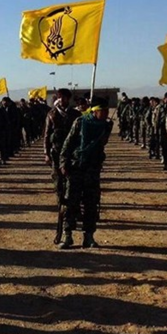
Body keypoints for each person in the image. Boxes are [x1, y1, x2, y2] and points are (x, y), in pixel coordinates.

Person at [58, 97, 113, 249]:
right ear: (95, 111)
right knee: (71, 203)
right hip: (76, 168)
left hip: (93, 169)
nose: (106, 113)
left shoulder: (104, 126)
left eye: (107, 110)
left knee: (91, 204)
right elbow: (67, 144)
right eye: (103, 111)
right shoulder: (80, 123)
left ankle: (88, 236)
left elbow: (102, 144)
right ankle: (67, 235)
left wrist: (107, 129)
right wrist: (63, 164)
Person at [44, 89, 82, 243]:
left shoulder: (75, 115)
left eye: (66, 98)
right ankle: (62, 208)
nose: (63, 100)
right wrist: (46, 153)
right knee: (59, 186)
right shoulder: (52, 114)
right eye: (61, 98)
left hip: (71, 157)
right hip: (56, 154)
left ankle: (71, 213)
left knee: (72, 186)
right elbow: (46, 135)